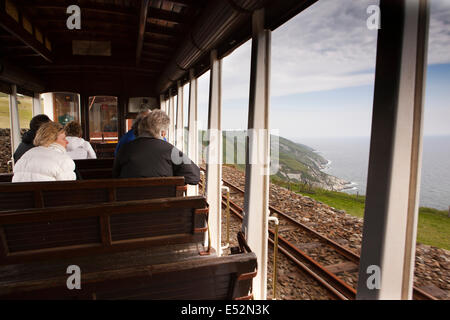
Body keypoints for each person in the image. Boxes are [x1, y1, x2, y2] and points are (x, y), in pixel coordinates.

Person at [113, 110, 200, 185]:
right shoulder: (170, 150)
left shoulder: (125, 149)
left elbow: (115, 175)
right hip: (165, 202)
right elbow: (194, 177)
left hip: (128, 202)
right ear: (162, 133)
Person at [12, 122, 76, 182]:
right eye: (63, 138)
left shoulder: (25, 156)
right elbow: (68, 188)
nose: (67, 142)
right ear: (51, 139)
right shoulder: (64, 160)